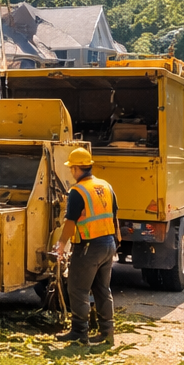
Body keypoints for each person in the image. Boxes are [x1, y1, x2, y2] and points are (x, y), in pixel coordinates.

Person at [54, 147, 120, 346]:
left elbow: (70, 222)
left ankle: (79, 332)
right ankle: (107, 332)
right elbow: (115, 214)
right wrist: (117, 240)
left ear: (75, 168)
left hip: (88, 246)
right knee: (102, 289)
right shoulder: (106, 186)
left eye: (71, 168)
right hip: (108, 244)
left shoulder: (77, 191)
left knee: (78, 288)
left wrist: (61, 245)